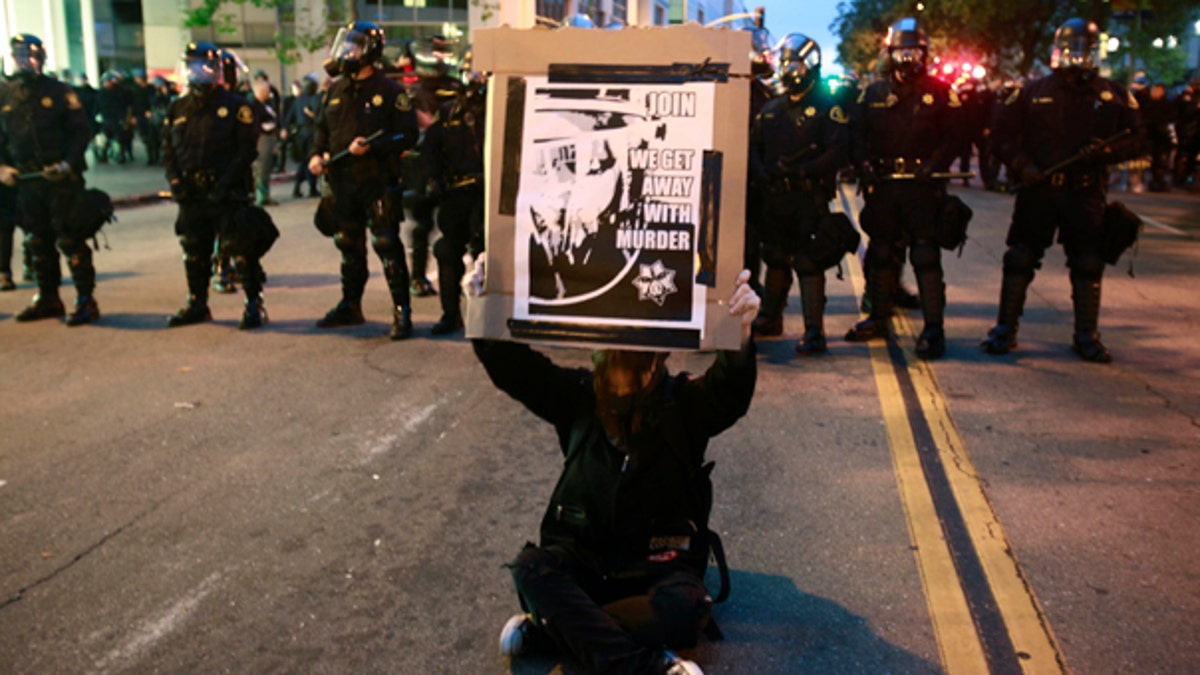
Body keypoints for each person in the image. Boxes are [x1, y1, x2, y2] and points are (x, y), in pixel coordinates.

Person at [470, 262, 760, 675]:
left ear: (656, 360)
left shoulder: (684, 405)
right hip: (584, 560)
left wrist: (741, 331)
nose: (622, 377)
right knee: (531, 569)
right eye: (612, 361)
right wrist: (482, 306)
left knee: (683, 609)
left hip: (658, 571)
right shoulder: (577, 397)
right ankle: (645, 666)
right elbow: (516, 370)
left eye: (635, 363)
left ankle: (559, 629)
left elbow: (730, 391)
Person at [982, 18, 1143, 363]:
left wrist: (1106, 153)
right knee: (1020, 259)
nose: (1078, 57)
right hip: (1039, 190)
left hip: (1084, 193)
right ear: (1058, 51)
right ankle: (1005, 329)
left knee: (1087, 263)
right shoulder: (1033, 91)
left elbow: (1139, 138)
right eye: (1072, 50)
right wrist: (1024, 167)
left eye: (1085, 50)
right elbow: (1001, 137)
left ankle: (1087, 335)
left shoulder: (1113, 95)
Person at [845, 17, 963, 359]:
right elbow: (856, 135)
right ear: (890, 53)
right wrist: (865, 167)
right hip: (883, 186)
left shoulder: (941, 92)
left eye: (913, 51)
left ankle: (933, 330)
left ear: (924, 53)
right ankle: (878, 318)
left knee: (925, 256)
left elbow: (956, 135)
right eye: (901, 51)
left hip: (922, 188)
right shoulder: (874, 92)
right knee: (881, 253)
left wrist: (935, 165)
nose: (907, 58)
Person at [308, 21, 420, 340]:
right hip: (343, 183)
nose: (346, 52)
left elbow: (408, 134)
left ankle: (402, 311)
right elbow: (322, 131)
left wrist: (373, 145)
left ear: (369, 51)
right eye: (345, 45)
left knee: (386, 242)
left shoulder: (391, 91)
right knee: (348, 244)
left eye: (353, 46)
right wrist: (316, 156)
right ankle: (350, 306)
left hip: (377, 181)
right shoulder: (336, 90)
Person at [749, 33, 848, 355]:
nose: (789, 69)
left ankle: (814, 330)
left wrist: (807, 170)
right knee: (776, 256)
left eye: (795, 62)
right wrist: (761, 171)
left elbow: (837, 151)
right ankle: (770, 317)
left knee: (807, 261)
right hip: (776, 196)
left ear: (811, 65)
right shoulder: (771, 108)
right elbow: (754, 146)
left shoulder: (827, 107)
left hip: (809, 196)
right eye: (785, 62)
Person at [162, 41, 265, 329]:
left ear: (217, 70)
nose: (199, 72)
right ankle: (197, 303)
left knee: (240, 249)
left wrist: (224, 185)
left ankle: (254, 303)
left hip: (227, 192)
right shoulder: (177, 108)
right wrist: (175, 182)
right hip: (192, 194)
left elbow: (246, 151)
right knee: (194, 249)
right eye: (193, 66)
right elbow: (168, 150)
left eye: (205, 66)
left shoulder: (235, 106)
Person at [0, 34, 98, 325]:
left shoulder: (59, 91)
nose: (24, 61)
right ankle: (48, 297)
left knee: (70, 238)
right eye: (18, 55)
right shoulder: (5, 94)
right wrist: (3, 168)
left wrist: (67, 163)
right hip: (27, 179)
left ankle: (85, 299)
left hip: (60, 178)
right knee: (37, 241)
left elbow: (81, 131)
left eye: (29, 55)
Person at [423, 73, 485, 335]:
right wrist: (433, 179)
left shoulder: (503, 108)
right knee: (447, 250)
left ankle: (490, 315)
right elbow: (430, 149)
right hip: (457, 194)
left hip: (489, 194)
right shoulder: (448, 113)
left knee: (487, 255)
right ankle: (451, 314)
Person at [283, 76, 320, 198]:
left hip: (300, 134)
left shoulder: (297, 101)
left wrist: (286, 129)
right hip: (312, 132)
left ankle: (298, 187)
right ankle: (312, 187)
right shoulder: (315, 99)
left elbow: (289, 118)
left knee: (304, 161)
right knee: (310, 159)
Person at [250, 79, 280, 206]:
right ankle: (261, 196)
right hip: (262, 139)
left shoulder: (266, 104)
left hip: (269, 138)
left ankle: (264, 194)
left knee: (266, 168)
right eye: (267, 90)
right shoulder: (254, 106)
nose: (269, 93)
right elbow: (255, 125)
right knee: (261, 168)